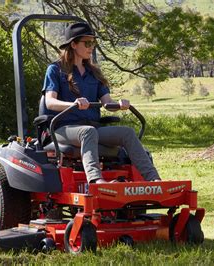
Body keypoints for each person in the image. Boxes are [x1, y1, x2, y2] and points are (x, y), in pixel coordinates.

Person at [42, 22, 161, 184]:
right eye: (87, 43)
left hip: (92, 128)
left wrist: (119, 104)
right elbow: (49, 102)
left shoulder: (94, 73)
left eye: (93, 43)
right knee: (88, 132)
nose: (91, 47)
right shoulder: (55, 70)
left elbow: (107, 103)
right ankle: (96, 180)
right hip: (64, 128)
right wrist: (72, 104)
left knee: (127, 132)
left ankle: (154, 179)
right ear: (74, 44)